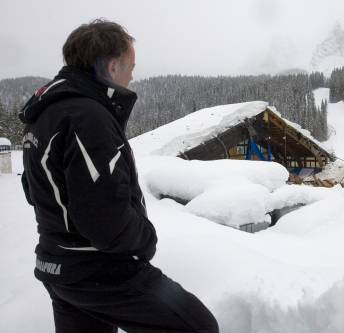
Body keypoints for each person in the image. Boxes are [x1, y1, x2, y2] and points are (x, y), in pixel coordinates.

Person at [20, 19, 218, 333]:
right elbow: (104, 219)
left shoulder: (45, 114)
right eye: (131, 66)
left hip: (57, 265)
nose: (133, 76)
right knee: (197, 326)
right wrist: (146, 238)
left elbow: (34, 191)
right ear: (112, 67)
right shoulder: (90, 118)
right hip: (99, 270)